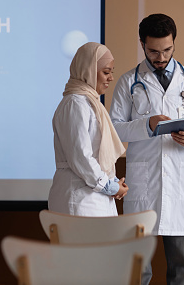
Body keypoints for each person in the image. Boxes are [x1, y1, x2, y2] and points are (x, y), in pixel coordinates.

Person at [110, 13, 184, 285]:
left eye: (167, 49)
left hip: (178, 182)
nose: (161, 57)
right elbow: (115, 129)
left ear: (174, 42)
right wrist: (147, 125)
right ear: (142, 44)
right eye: (154, 51)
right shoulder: (127, 82)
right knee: (138, 268)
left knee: (181, 268)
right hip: (143, 183)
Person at [48, 42, 128, 216]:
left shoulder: (90, 103)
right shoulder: (75, 103)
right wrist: (111, 186)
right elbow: (81, 156)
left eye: (111, 72)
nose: (110, 78)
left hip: (94, 195)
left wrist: (113, 183)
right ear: (88, 70)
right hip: (80, 198)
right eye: (106, 72)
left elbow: (97, 155)